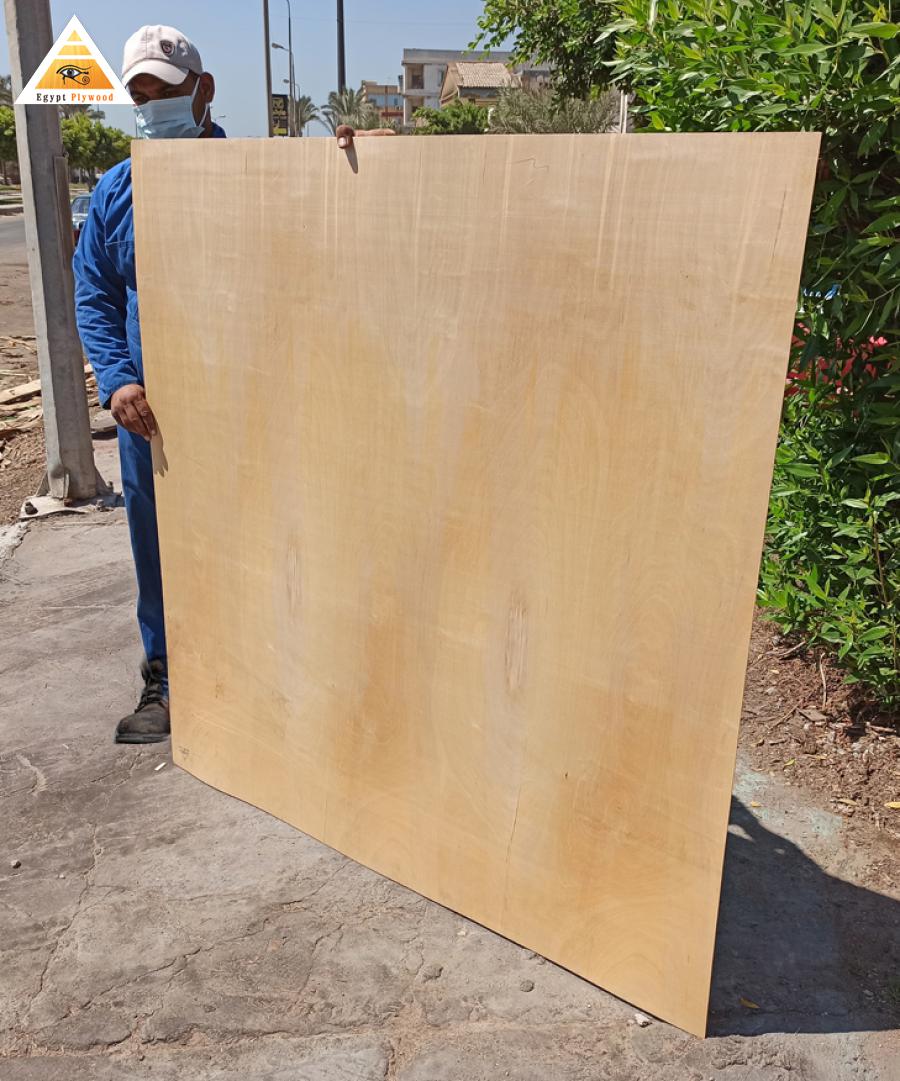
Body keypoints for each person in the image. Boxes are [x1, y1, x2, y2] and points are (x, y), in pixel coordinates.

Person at [74, 25, 390, 745]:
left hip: (253, 408)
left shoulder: (258, 172)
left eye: (164, 90)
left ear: (204, 90)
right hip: (156, 414)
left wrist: (360, 159)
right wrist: (117, 381)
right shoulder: (118, 190)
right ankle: (168, 678)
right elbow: (94, 291)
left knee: (266, 539)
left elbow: (331, 224)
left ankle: (267, 672)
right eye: (139, 94)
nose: (150, 105)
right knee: (161, 545)